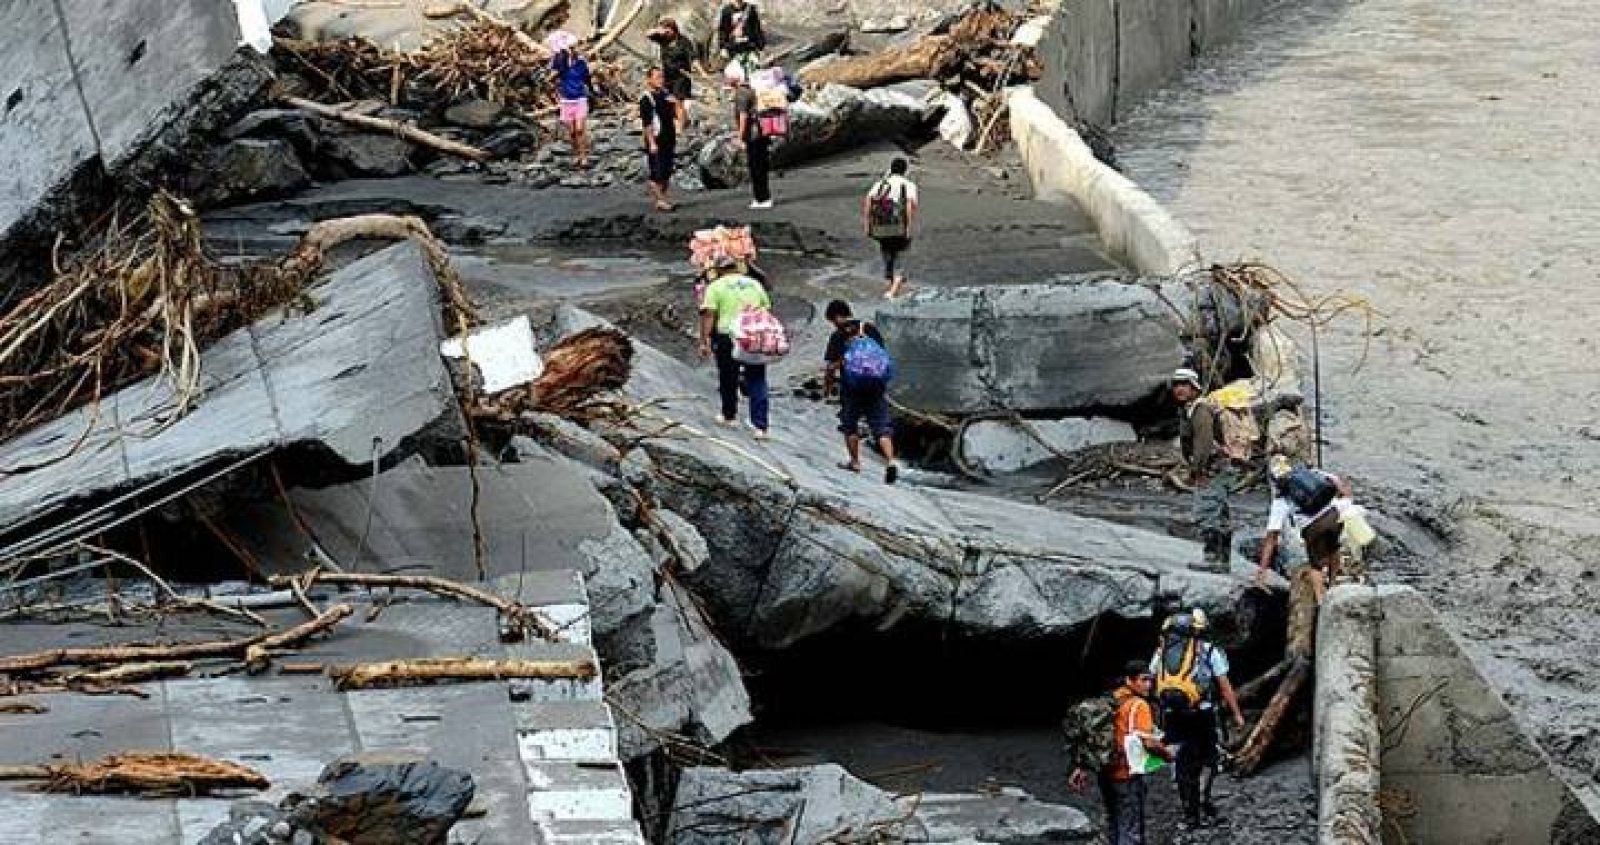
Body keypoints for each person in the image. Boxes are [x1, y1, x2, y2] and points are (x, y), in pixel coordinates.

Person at [1151, 609, 1245, 831]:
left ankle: (1188, 811)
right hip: (1201, 714)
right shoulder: (1209, 650)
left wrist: (1156, 716)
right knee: (1208, 759)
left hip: (1173, 716)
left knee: (1182, 763)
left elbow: (1153, 684)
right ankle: (1202, 802)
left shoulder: (1161, 653)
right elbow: (1224, 685)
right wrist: (1237, 714)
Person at [1092, 660, 1173, 845]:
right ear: (1129, 680)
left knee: (1114, 821)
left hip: (1105, 771)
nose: (1148, 685)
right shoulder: (1139, 705)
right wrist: (1168, 755)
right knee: (1130, 826)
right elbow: (1149, 743)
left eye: (1150, 681)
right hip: (1126, 773)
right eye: (1143, 680)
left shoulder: (1111, 699)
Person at [822, 300, 899, 484]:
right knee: (881, 426)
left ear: (836, 317)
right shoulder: (869, 328)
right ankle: (890, 461)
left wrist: (828, 387)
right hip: (876, 385)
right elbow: (882, 355)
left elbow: (831, 366)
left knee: (850, 424)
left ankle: (855, 462)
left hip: (852, 387)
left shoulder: (838, 335)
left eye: (832, 320)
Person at [1171, 367, 1240, 572]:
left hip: (1211, 470)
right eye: (1176, 385)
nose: (1179, 389)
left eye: (1184, 385)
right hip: (1219, 468)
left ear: (1194, 388)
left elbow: (1203, 443)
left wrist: (1196, 471)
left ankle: (1213, 559)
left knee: (1206, 511)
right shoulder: (1189, 410)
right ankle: (1222, 560)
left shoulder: (1201, 411)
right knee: (1220, 512)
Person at [1258, 454, 1355, 596]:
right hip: (1336, 516)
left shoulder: (1280, 500)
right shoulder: (1312, 473)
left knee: (1315, 565)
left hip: (1314, 527)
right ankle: (1333, 584)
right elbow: (1338, 483)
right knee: (1334, 547)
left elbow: (1271, 538)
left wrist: (1262, 570)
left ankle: (1322, 602)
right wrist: (1348, 500)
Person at [698, 255, 772, 439]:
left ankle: (729, 415)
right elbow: (766, 309)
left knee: (728, 376)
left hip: (728, 336)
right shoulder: (754, 285)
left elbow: (709, 315)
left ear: (719, 270)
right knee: (757, 378)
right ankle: (760, 426)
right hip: (753, 335)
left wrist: (704, 339)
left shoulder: (715, 287)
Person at [862, 157, 919, 299]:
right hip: (899, 227)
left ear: (891, 169)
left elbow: (869, 202)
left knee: (888, 255)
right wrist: (908, 227)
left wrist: (867, 224)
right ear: (905, 170)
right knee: (901, 257)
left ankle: (892, 285)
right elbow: (910, 206)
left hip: (880, 227)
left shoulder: (880, 184)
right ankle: (893, 292)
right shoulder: (908, 185)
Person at [726, 63, 772, 209]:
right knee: (761, 165)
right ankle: (763, 197)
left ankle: (762, 198)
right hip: (762, 132)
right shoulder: (751, 88)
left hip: (753, 134)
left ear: (734, 77)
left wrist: (740, 137)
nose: (726, 80)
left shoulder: (741, 93)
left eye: (728, 77)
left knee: (756, 166)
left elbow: (743, 116)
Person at [639, 67, 682, 212]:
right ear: (649, 79)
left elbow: (680, 117)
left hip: (669, 136)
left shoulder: (666, 95)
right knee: (656, 171)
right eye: (657, 77)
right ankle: (660, 200)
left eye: (661, 77)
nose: (660, 80)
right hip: (656, 138)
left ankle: (662, 198)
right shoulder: (646, 99)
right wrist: (651, 142)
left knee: (667, 170)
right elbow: (647, 123)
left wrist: (677, 104)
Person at [647, 18, 698, 131]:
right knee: (669, 100)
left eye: (668, 30)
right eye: (665, 30)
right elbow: (648, 34)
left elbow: (693, 58)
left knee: (678, 101)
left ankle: (681, 127)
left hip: (682, 76)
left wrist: (701, 72)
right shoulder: (663, 39)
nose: (666, 33)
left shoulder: (683, 41)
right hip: (667, 75)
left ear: (673, 29)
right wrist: (658, 31)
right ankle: (683, 120)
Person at [551, 42, 593, 169]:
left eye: (574, 48)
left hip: (580, 98)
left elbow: (587, 78)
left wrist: (591, 91)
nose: (573, 50)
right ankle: (576, 154)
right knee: (572, 132)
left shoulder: (581, 64)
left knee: (580, 129)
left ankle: (583, 156)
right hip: (566, 101)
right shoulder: (561, 63)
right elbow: (554, 72)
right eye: (571, 48)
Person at [715, 0, 765, 69]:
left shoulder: (750, 9)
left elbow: (757, 29)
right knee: (736, 74)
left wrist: (761, 47)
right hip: (733, 49)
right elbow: (723, 31)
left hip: (749, 48)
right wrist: (723, 47)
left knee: (752, 71)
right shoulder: (726, 10)